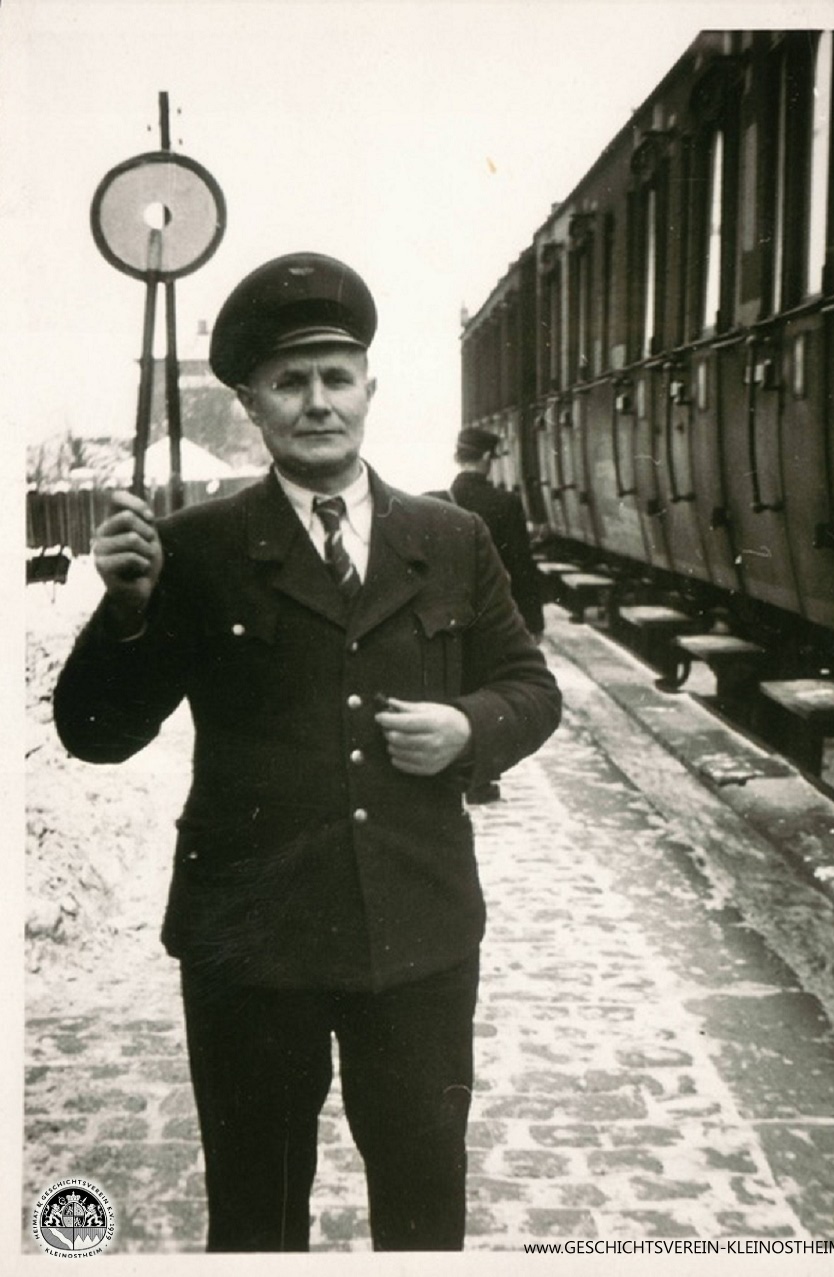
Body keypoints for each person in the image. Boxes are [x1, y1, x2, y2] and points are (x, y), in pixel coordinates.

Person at [53, 252, 561, 1253]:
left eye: (336, 376)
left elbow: (531, 687)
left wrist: (470, 730)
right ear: (251, 404)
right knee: (255, 1213)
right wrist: (124, 614)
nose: (317, 401)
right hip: (251, 942)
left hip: (416, 935)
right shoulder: (191, 549)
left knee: (423, 1208)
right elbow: (96, 735)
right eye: (290, 381)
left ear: (370, 387)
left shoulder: (449, 536)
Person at [428, 425, 546, 803]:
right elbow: (522, 568)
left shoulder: (436, 501)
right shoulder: (506, 504)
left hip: (446, 612)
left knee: (455, 683)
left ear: (458, 457)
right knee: (489, 686)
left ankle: (454, 768)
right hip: (492, 611)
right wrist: (534, 620)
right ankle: (482, 777)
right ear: (488, 460)